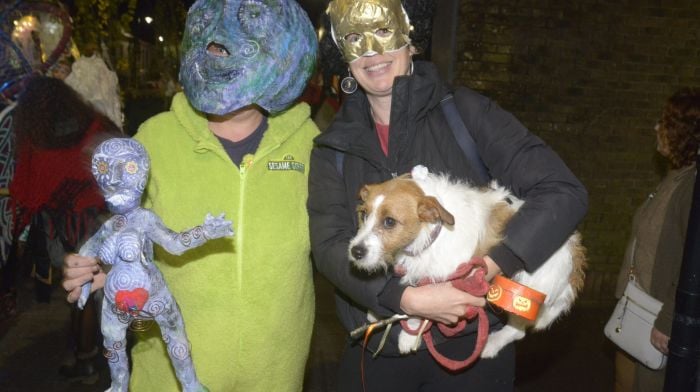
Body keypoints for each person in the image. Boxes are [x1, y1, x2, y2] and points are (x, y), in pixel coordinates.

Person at [307, 0, 589, 390]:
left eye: (385, 32)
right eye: (355, 38)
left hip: (472, 349)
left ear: (411, 39)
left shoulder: (467, 114)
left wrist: (493, 263)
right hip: (378, 350)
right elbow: (328, 245)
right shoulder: (332, 148)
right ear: (342, 54)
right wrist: (402, 299)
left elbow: (563, 192)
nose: (372, 51)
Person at [62, 0, 319, 391]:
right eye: (208, 26)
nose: (217, 40)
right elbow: (127, 230)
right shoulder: (155, 138)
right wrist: (105, 268)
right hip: (170, 378)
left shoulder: (311, 145)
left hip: (275, 376)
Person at [9, 75, 121, 380]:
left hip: (66, 231)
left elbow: (27, 192)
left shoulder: (37, 141)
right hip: (104, 223)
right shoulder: (98, 125)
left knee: (81, 295)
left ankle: (86, 361)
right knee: (89, 295)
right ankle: (87, 352)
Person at [614, 87, 699, 392]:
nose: (656, 129)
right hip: (637, 309)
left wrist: (668, 321)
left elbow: (693, 264)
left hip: (656, 321)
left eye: (664, 124)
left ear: (683, 133)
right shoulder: (674, 178)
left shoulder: (691, 186)